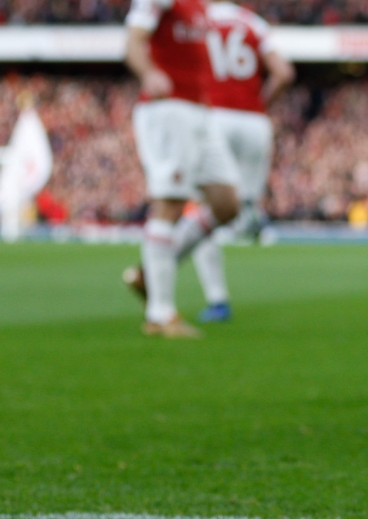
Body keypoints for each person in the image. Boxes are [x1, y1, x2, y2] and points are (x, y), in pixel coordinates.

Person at [122, 0, 241, 338]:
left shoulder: (200, 6)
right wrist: (148, 73)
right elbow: (133, 39)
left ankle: (152, 271)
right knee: (170, 204)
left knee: (227, 203)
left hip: (200, 111)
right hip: (168, 109)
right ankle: (160, 315)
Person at [191, 0, 296, 324]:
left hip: (215, 117)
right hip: (255, 123)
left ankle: (217, 299)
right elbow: (283, 73)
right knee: (244, 202)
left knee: (203, 211)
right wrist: (259, 103)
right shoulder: (253, 23)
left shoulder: (198, 19)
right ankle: (250, 211)